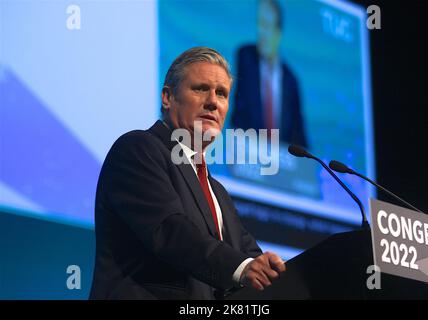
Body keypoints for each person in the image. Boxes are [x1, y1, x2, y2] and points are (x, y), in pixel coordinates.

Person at [89, 47, 286, 299]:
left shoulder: (218, 192)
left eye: (222, 94)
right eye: (201, 88)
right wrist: (243, 268)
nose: (213, 102)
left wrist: (278, 275)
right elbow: (170, 231)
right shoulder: (138, 149)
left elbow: (249, 256)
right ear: (167, 97)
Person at [231, 0, 308, 147]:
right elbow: (239, 115)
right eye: (259, 24)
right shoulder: (246, 57)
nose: (261, 32)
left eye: (266, 26)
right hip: (247, 157)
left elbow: (300, 136)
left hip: (282, 165)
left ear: (278, 33)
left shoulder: (291, 80)